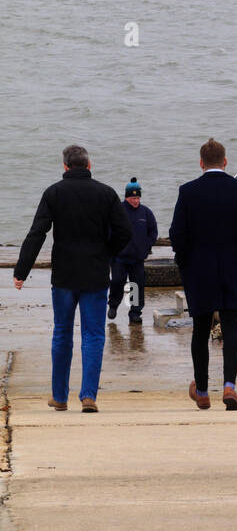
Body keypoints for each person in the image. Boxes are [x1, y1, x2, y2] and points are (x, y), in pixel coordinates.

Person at [13, 145, 132, 412]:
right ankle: (88, 396)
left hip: (65, 276)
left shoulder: (54, 192)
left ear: (65, 167)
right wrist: (106, 252)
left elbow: (37, 233)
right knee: (93, 335)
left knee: (62, 333)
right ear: (89, 166)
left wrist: (21, 271)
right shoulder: (106, 193)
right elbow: (125, 231)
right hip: (95, 275)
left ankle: (60, 396)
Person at [169, 138, 237, 411]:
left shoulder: (188, 192)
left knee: (200, 332)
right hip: (235, 269)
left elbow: (176, 234)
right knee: (230, 329)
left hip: (199, 271)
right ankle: (229, 387)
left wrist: (184, 262)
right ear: (225, 162)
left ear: (201, 163)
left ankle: (202, 391)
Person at [108, 178, 158, 324]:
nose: (136, 201)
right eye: (132, 198)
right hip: (119, 257)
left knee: (136, 285)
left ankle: (134, 312)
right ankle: (113, 305)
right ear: (126, 197)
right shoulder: (117, 211)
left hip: (137, 258)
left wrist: (146, 247)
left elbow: (153, 232)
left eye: (137, 198)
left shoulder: (146, 213)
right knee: (117, 281)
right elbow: (108, 231)